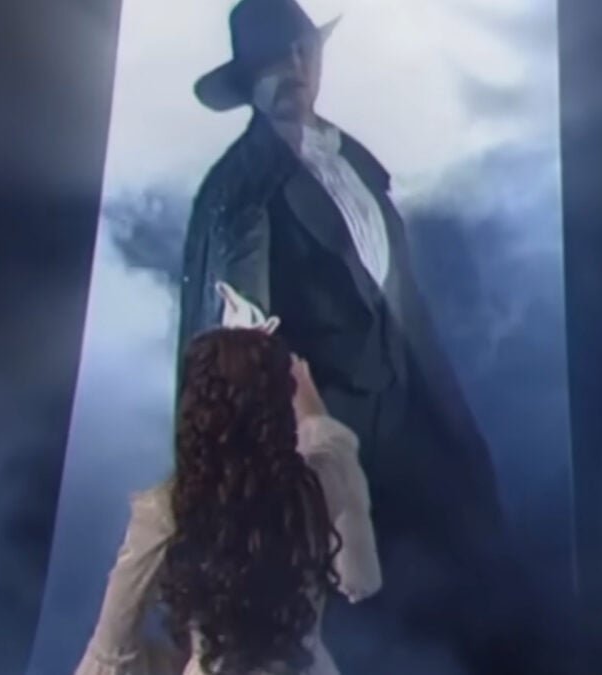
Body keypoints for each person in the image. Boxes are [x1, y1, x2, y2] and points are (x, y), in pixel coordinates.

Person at [177, 0, 512, 668]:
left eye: (301, 50)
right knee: (345, 630)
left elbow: (399, 304)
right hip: (319, 462)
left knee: (455, 604)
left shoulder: (352, 159)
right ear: (247, 80)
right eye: (272, 60)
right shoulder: (238, 191)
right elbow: (238, 343)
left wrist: (442, 418)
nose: (293, 68)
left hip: (407, 426)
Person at [74, 328, 381, 675]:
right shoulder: (320, 483)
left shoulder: (169, 509)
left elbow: (112, 648)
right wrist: (303, 388)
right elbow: (361, 579)